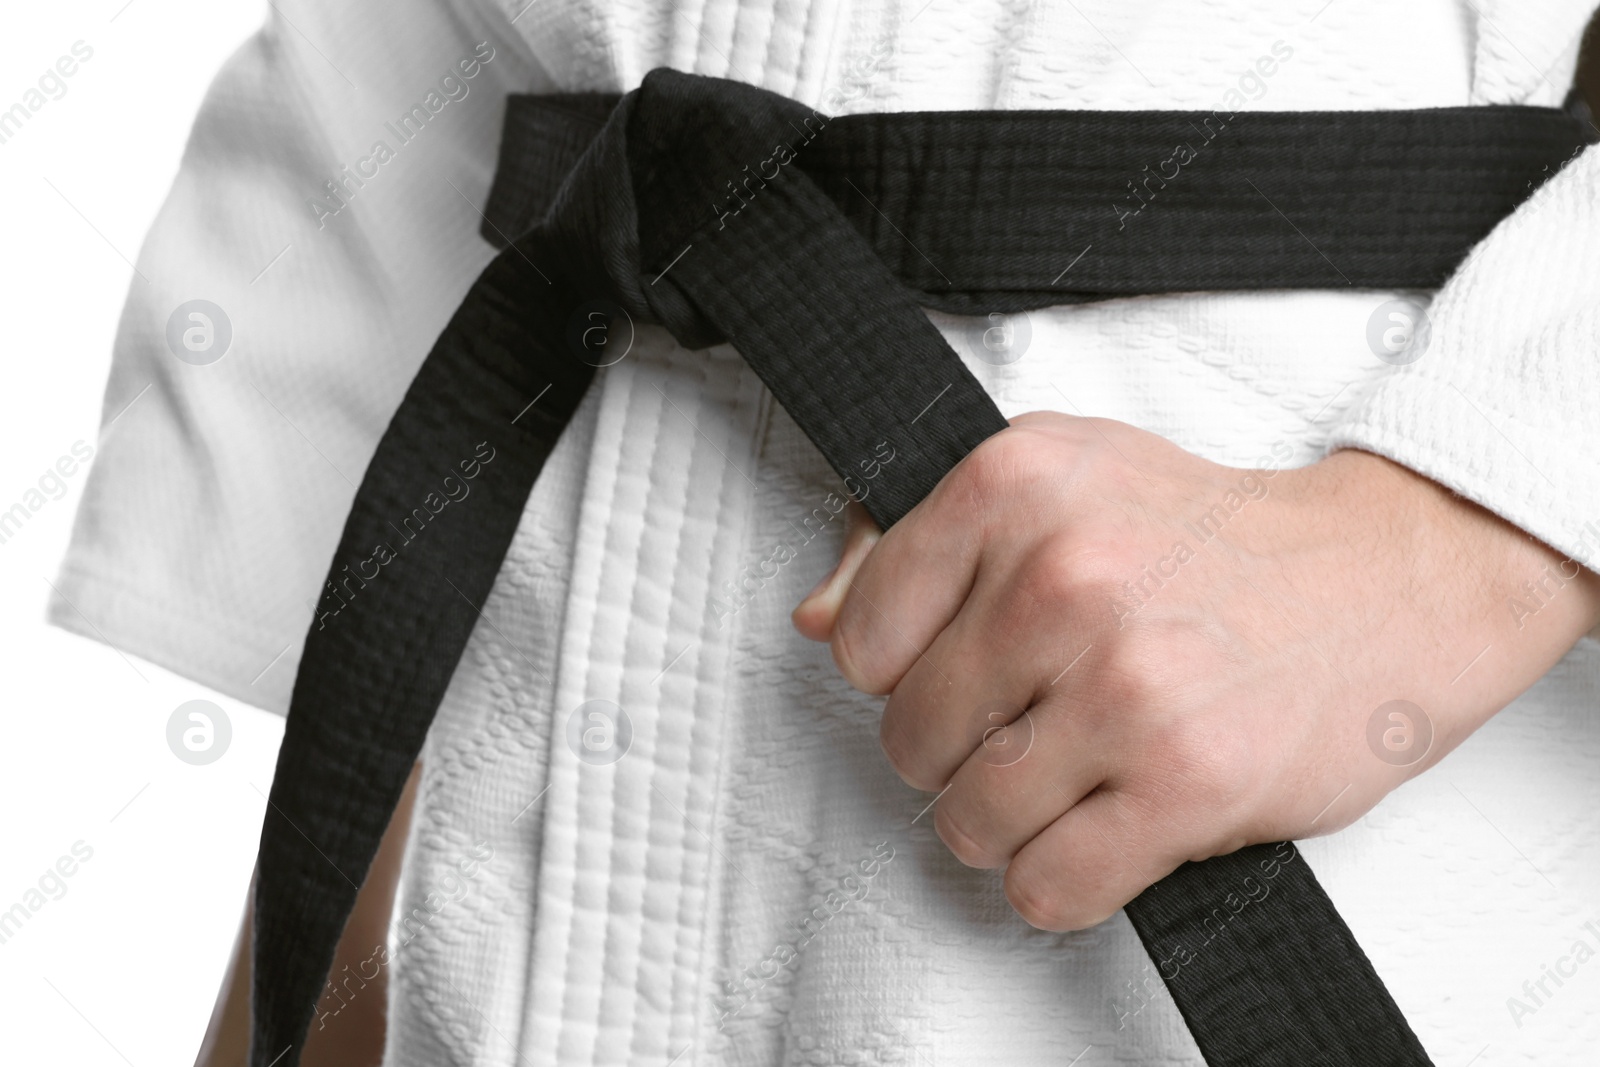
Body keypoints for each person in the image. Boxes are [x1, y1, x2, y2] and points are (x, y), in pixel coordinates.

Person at [53, 0, 1600, 1064]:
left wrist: (1455, 534)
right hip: (503, 882)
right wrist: (311, 966)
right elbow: (429, 81)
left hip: (1348, 831)